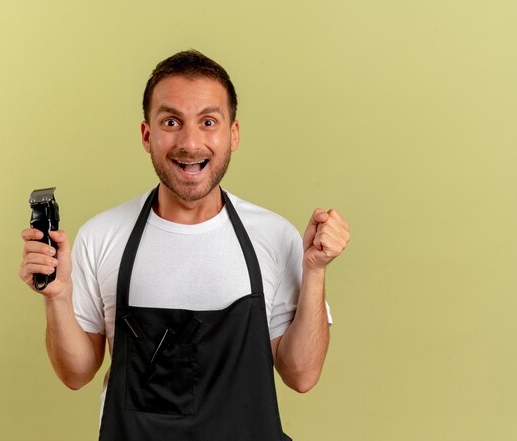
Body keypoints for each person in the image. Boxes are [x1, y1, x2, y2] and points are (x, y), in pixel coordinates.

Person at [19, 50, 350, 441]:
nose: (190, 143)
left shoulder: (275, 237)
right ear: (147, 135)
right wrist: (56, 296)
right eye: (171, 122)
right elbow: (76, 374)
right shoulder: (103, 237)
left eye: (208, 121)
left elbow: (302, 375)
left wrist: (314, 271)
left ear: (233, 134)